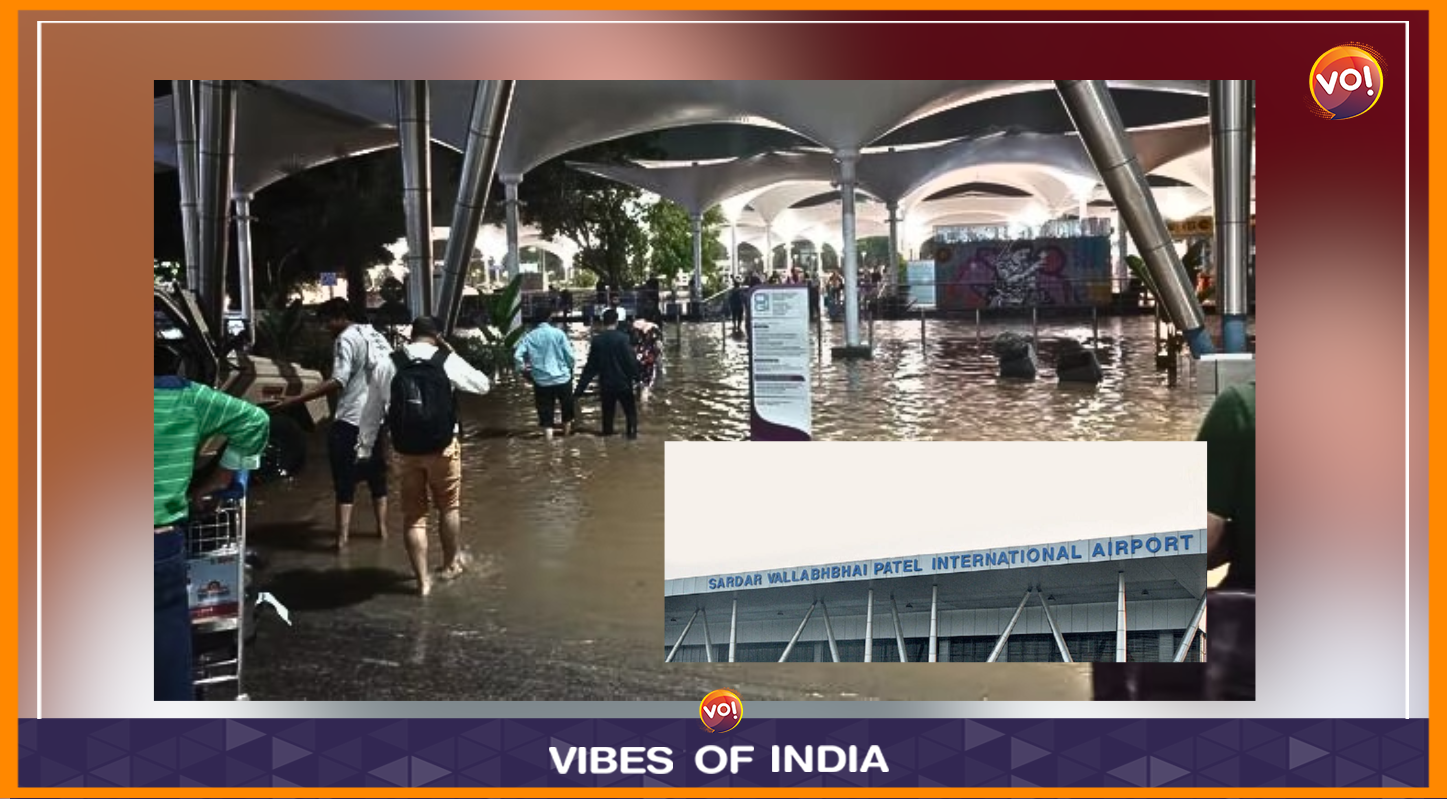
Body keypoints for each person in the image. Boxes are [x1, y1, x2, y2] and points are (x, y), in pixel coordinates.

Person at [154, 343, 270, 700]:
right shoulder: (187, 398)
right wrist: (220, 479)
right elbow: (256, 421)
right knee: (168, 664)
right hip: (159, 544)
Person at [357, 317, 492, 597]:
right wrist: (451, 351)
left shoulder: (388, 363)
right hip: (442, 448)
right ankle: (449, 565)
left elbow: (371, 413)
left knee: (414, 517)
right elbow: (483, 385)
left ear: (411, 335)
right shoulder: (446, 360)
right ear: (438, 335)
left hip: (405, 450)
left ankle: (422, 583)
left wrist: (365, 449)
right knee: (448, 507)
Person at [275, 298, 393, 550]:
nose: (325, 327)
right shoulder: (376, 336)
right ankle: (382, 533)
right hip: (377, 420)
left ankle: (341, 542)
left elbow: (338, 380)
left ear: (340, 316)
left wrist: (295, 400)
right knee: (377, 480)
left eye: (326, 321)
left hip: (350, 420)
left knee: (344, 482)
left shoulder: (345, 339)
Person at [575, 309, 641, 438]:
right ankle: (632, 439)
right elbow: (630, 362)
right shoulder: (624, 338)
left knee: (607, 415)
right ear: (616, 321)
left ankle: (607, 442)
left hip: (606, 384)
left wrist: (579, 389)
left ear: (602, 322)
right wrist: (638, 378)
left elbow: (590, 367)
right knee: (630, 413)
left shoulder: (597, 341)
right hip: (623, 384)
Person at [514, 309, 576, 439]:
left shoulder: (530, 336)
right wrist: (570, 368)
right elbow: (570, 355)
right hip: (562, 379)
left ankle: (549, 445)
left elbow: (517, 355)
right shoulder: (559, 334)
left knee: (546, 413)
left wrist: (523, 371)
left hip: (541, 381)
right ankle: (567, 439)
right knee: (567, 410)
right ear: (549, 318)